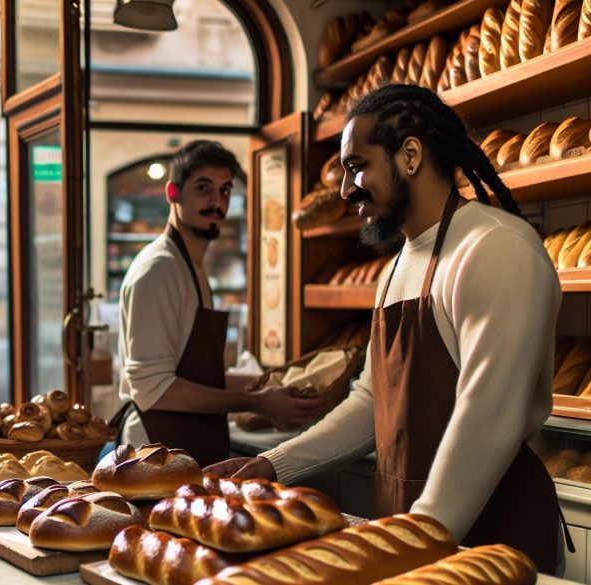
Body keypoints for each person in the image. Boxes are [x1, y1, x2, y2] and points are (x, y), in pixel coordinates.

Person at [206, 85, 563, 573]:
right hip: (414, 534)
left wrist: (414, 542)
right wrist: (275, 465)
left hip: (489, 544)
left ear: (410, 156)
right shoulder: (396, 267)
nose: (345, 189)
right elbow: (372, 403)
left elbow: (490, 419)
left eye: (357, 166)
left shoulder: (495, 249)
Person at [114, 140, 324, 466]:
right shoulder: (159, 269)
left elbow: (193, 373)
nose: (217, 202)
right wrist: (254, 401)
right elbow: (154, 389)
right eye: (203, 188)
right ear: (173, 193)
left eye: (225, 191)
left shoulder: (190, 267)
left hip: (181, 449)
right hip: (152, 458)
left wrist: (272, 382)